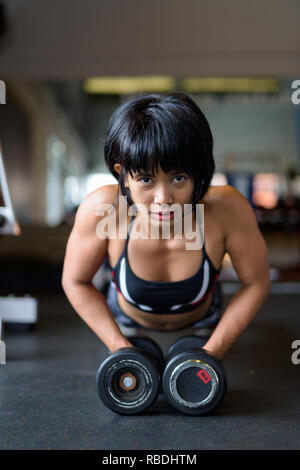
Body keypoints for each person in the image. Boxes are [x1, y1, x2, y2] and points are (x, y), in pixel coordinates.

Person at [62, 93, 270, 360]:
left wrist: (211, 353)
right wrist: (120, 347)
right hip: (126, 320)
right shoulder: (104, 208)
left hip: (203, 321)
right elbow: (75, 280)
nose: (164, 199)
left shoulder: (226, 209)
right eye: (146, 179)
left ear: (198, 174)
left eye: (179, 178)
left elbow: (257, 282)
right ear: (123, 175)